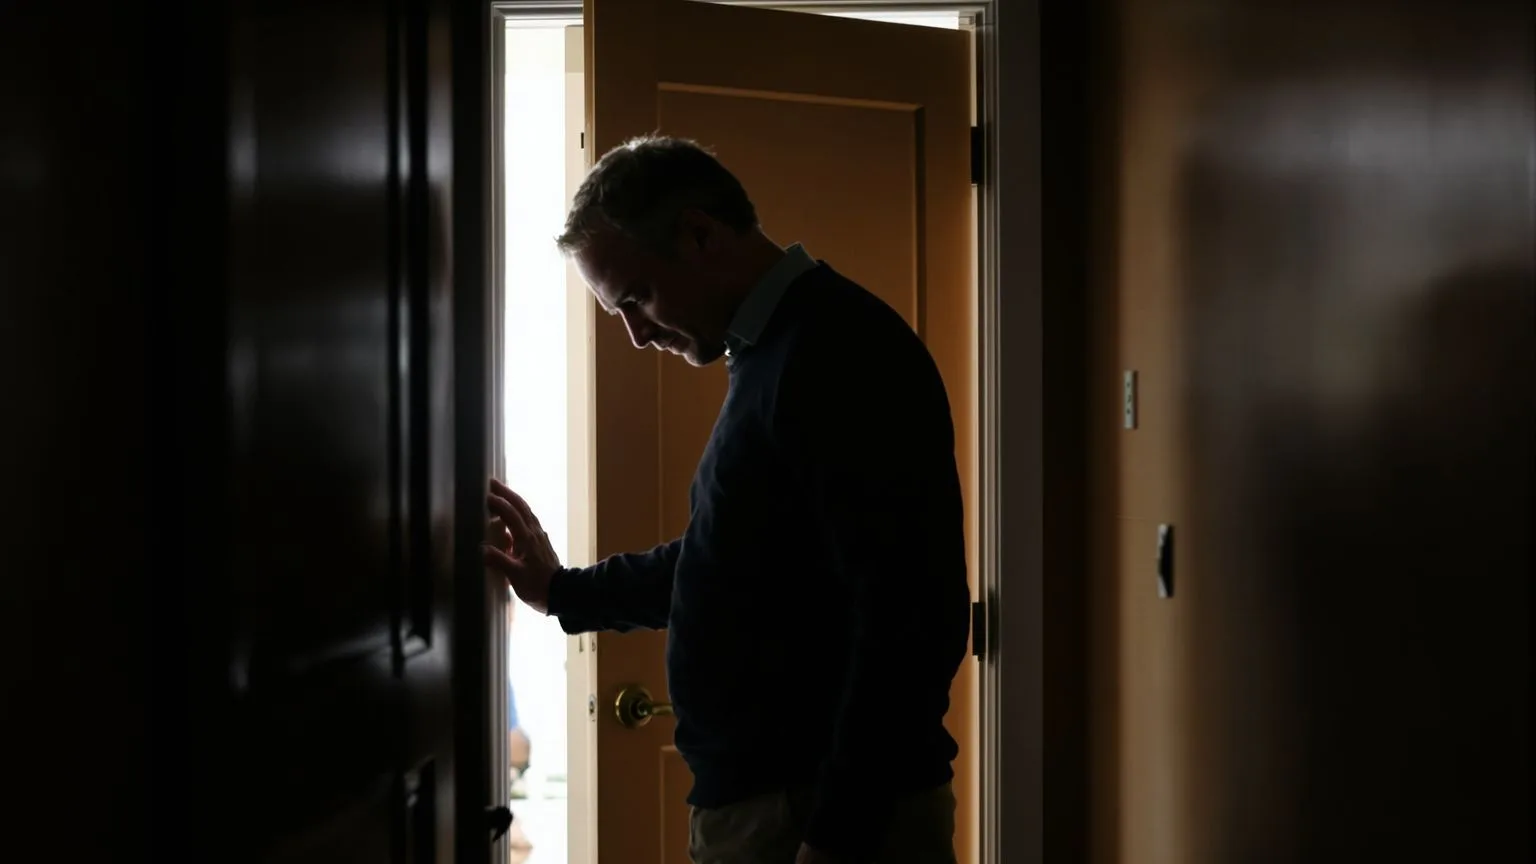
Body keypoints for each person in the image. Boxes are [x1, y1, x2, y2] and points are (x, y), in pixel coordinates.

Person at [484, 136, 970, 864]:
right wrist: (563, 591)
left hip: (819, 815)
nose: (636, 334)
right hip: (780, 805)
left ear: (699, 234)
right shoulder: (773, 354)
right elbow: (733, 560)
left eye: (637, 298)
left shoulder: (839, 351)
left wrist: (837, 833)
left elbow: (913, 619)